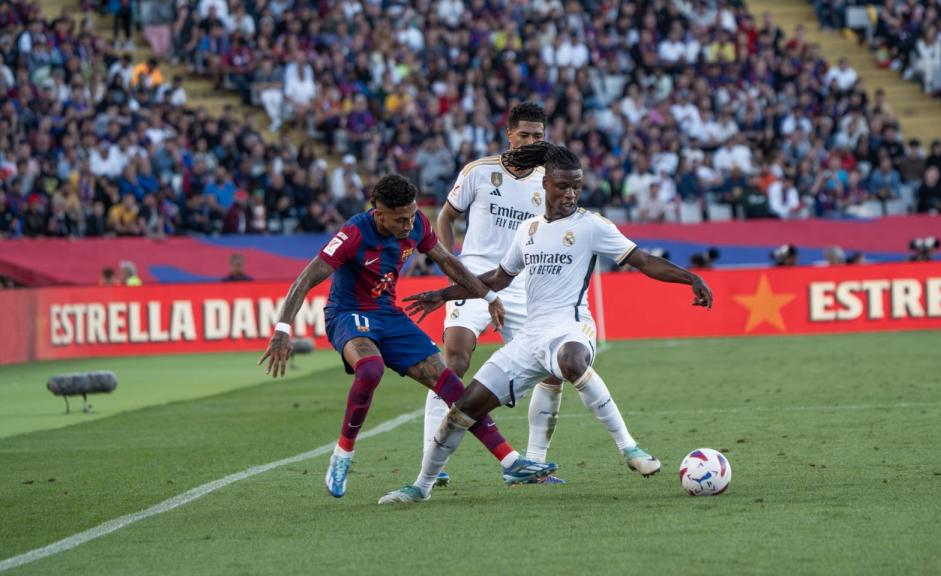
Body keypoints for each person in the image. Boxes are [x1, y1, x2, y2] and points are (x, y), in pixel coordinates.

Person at [379, 143, 713, 505]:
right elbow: (496, 279)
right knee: (463, 408)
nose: (570, 193)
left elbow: (645, 261)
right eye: (562, 186)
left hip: (571, 327)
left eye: (576, 186)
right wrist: (443, 295)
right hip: (530, 339)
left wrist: (689, 278)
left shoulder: (592, 226)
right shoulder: (528, 231)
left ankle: (629, 448)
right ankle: (421, 487)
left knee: (571, 362)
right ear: (546, 185)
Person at [258, 175, 555, 499]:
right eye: (400, 219)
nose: (408, 224)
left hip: (389, 315)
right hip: (348, 314)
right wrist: (282, 330)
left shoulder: (416, 225)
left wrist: (487, 297)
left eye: (412, 215)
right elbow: (304, 280)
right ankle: (343, 454)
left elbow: (448, 262)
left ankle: (510, 461)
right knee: (370, 369)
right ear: (378, 212)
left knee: (452, 385)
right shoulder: (353, 233)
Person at [429, 103, 633, 486]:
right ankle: (433, 459)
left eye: (538, 136)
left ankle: (534, 463)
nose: (531, 141)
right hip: (475, 277)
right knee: (454, 361)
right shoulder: (479, 171)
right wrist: (449, 261)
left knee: (551, 372)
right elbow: (446, 215)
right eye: (524, 135)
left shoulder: (549, 179)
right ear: (509, 134)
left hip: (522, 285)